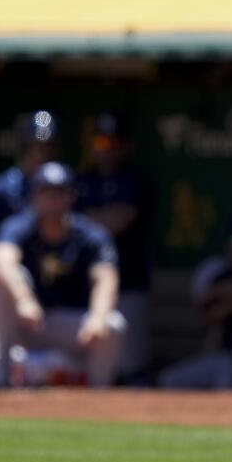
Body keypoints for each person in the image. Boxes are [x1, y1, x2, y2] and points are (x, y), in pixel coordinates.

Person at [0, 162, 127, 387]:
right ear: (34, 197)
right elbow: (2, 259)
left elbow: (106, 277)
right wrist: (24, 299)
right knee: (6, 282)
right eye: (46, 193)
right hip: (31, 323)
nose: (52, 201)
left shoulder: (90, 235)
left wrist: (98, 317)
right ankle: (0, 377)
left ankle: (99, 395)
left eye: (59, 193)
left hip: (73, 327)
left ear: (71, 197)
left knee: (114, 324)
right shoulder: (20, 226)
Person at [158, 218, 232, 389]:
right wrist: (229, 304)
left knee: (229, 373)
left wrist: (227, 295)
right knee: (170, 379)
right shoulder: (223, 274)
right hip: (223, 354)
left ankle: (228, 415)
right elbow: (206, 313)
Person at [76, 114, 153, 381]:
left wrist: (83, 221)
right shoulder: (82, 181)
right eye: (101, 141)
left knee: (132, 367)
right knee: (93, 362)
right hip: (88, 287)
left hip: (130, 283)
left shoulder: (136, 179)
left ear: (126, 145)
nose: (108, 147)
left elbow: (120, 219)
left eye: (115, 141)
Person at [0, 110, 59, 257]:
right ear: (24, 148)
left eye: (48, 148)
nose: (41, 154)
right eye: (35, 147)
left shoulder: (62, 191)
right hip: (6, 271)